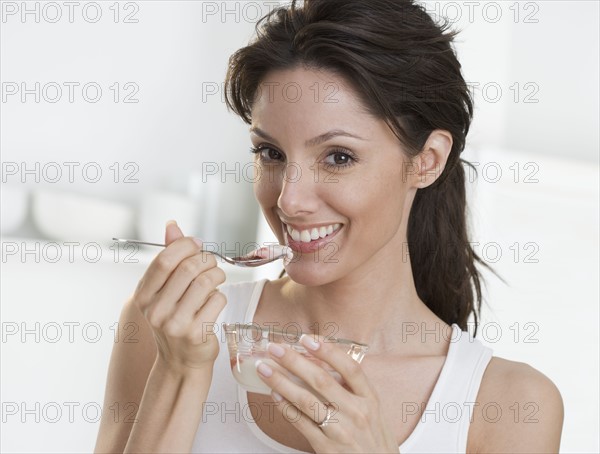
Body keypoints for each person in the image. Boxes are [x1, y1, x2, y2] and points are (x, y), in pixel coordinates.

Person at [94, 0, 564, 452]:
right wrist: (177, 373)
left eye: (338, 157)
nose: (288, 200)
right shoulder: (169, 328)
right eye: (270, 153)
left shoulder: (509, 405)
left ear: (427, 161)